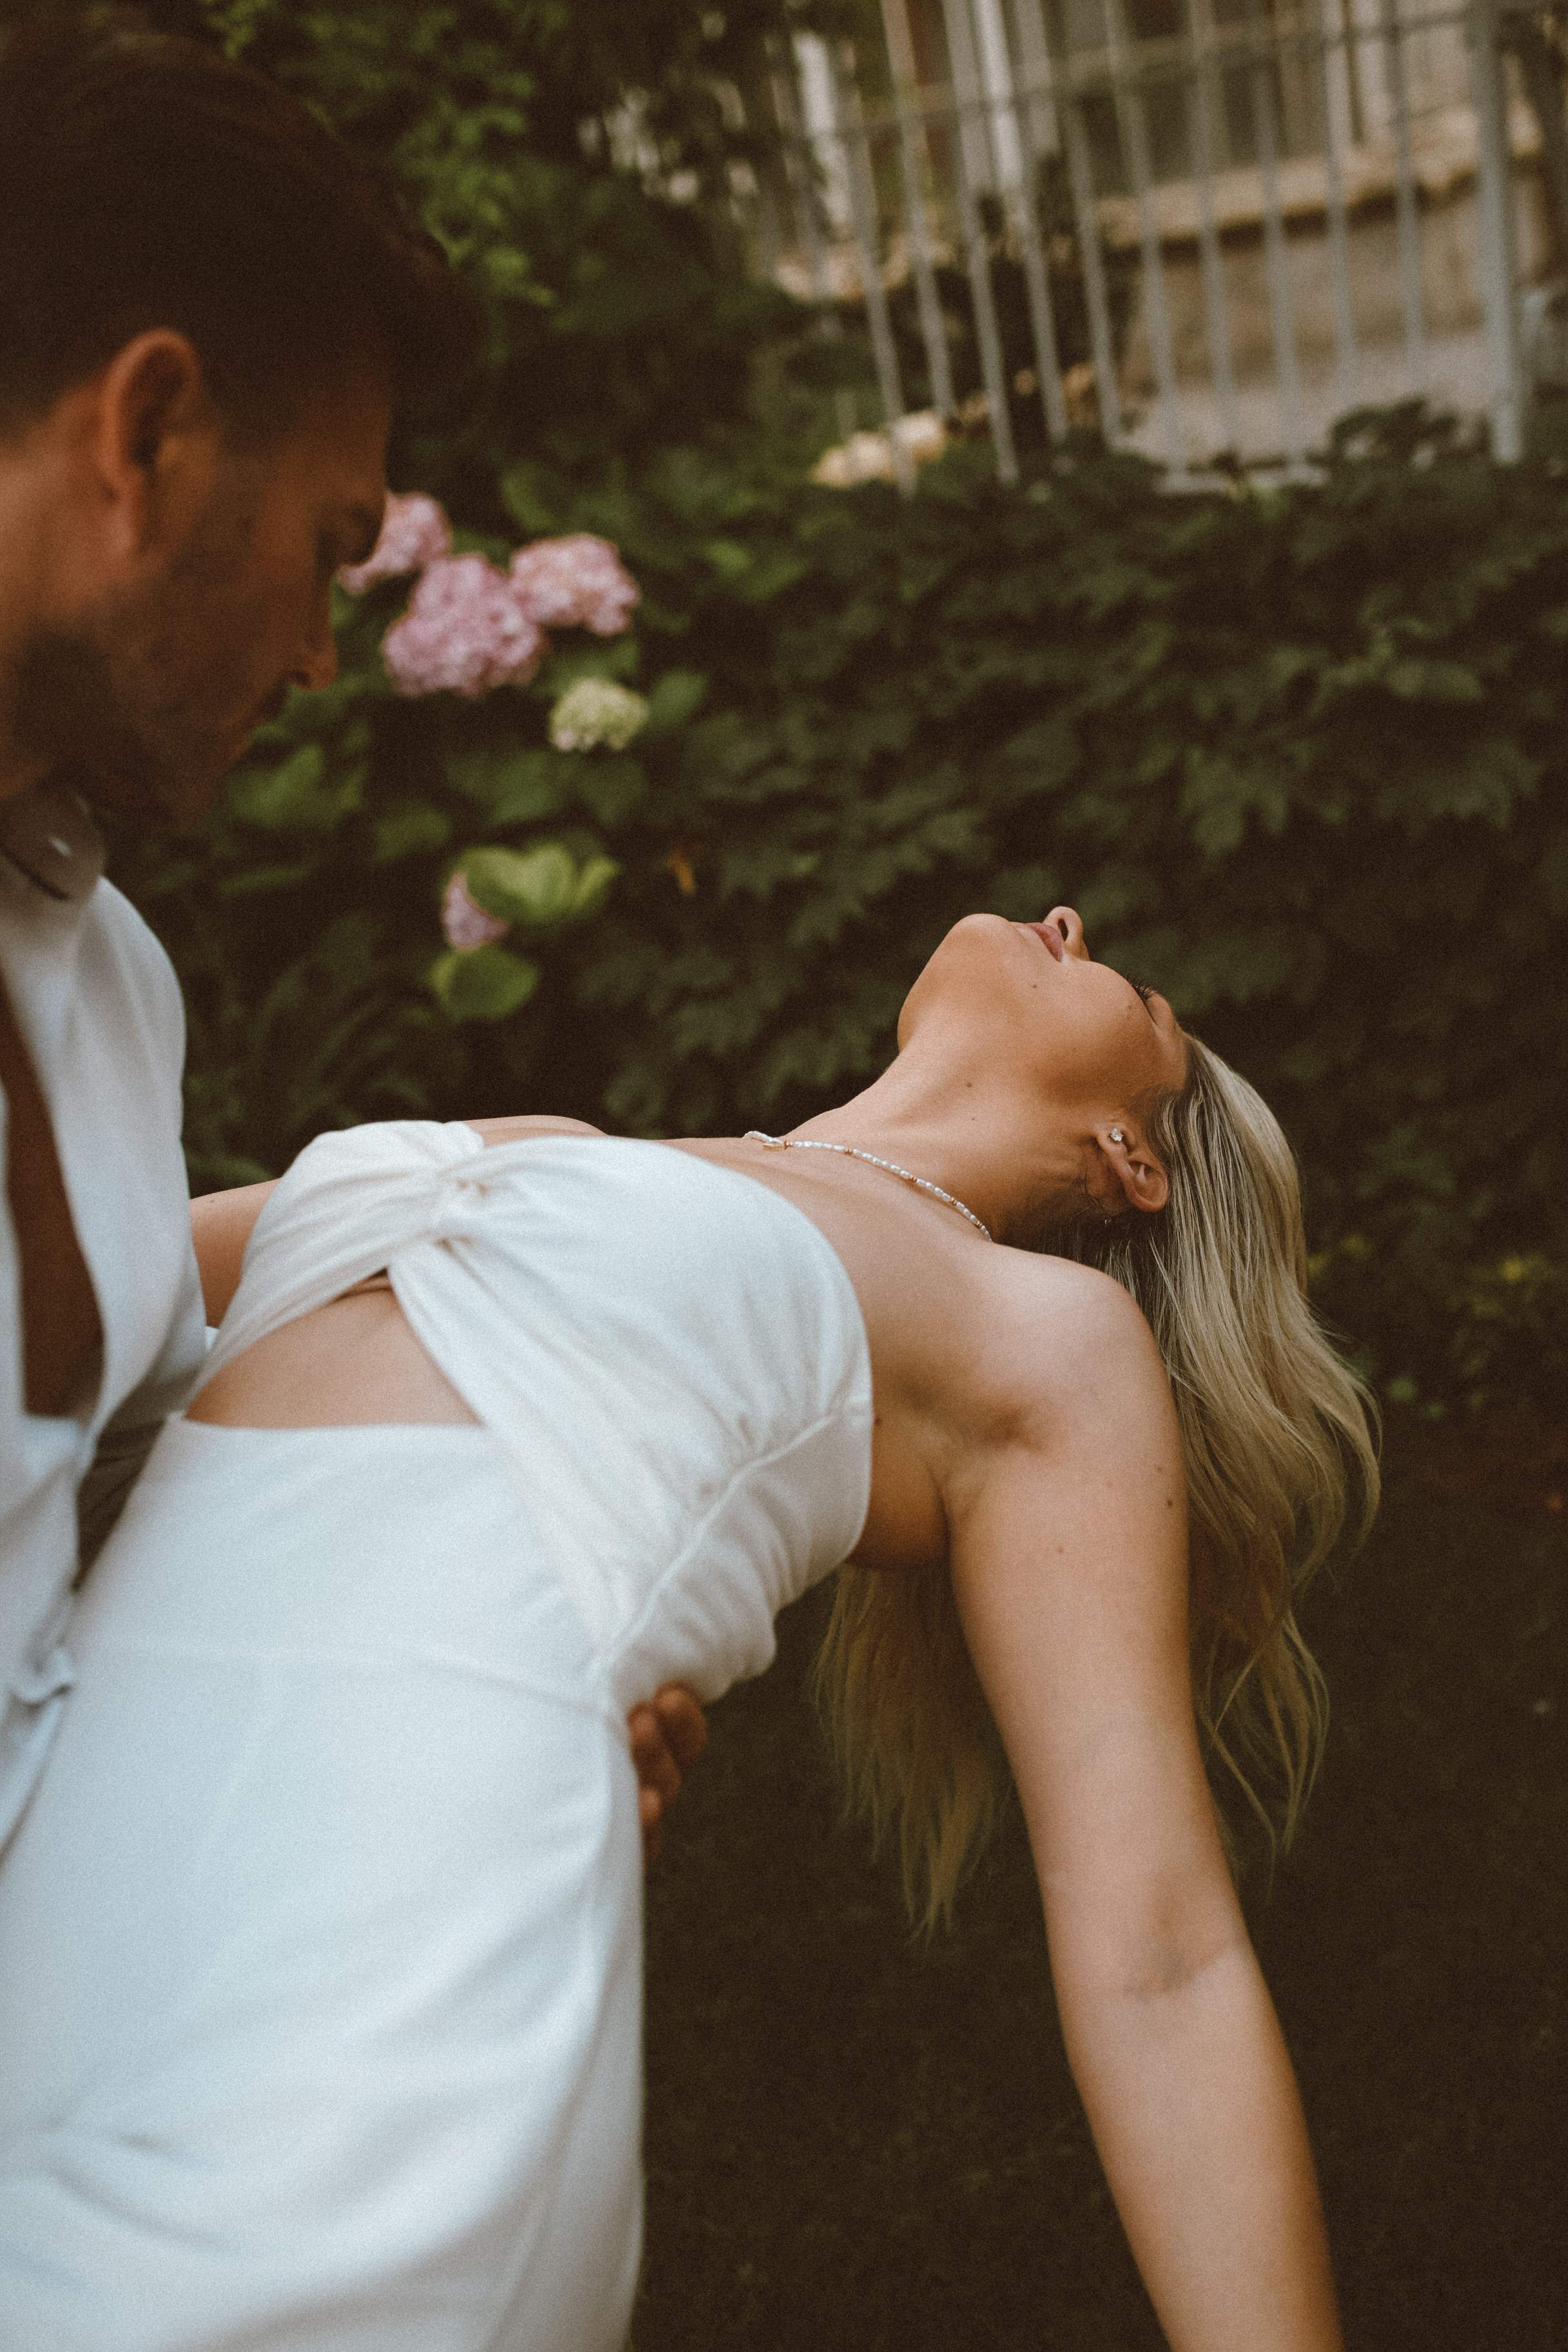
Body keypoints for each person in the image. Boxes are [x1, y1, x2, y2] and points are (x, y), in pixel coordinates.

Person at [0, 901, 1378, 2351]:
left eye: (1137, 991)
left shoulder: (1032, 1333)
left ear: (1131, 1158)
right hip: (69, 1876)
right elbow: (57, 1328)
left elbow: (1157, 1955)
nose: (1064, 918)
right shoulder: (561, 1144)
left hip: (393, 1960)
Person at [0, 12, 701, 1860]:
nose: (324, 654)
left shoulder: (99, 972)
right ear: (144, 430)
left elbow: (112, 1520)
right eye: (327, 545)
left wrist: (460, 1698)